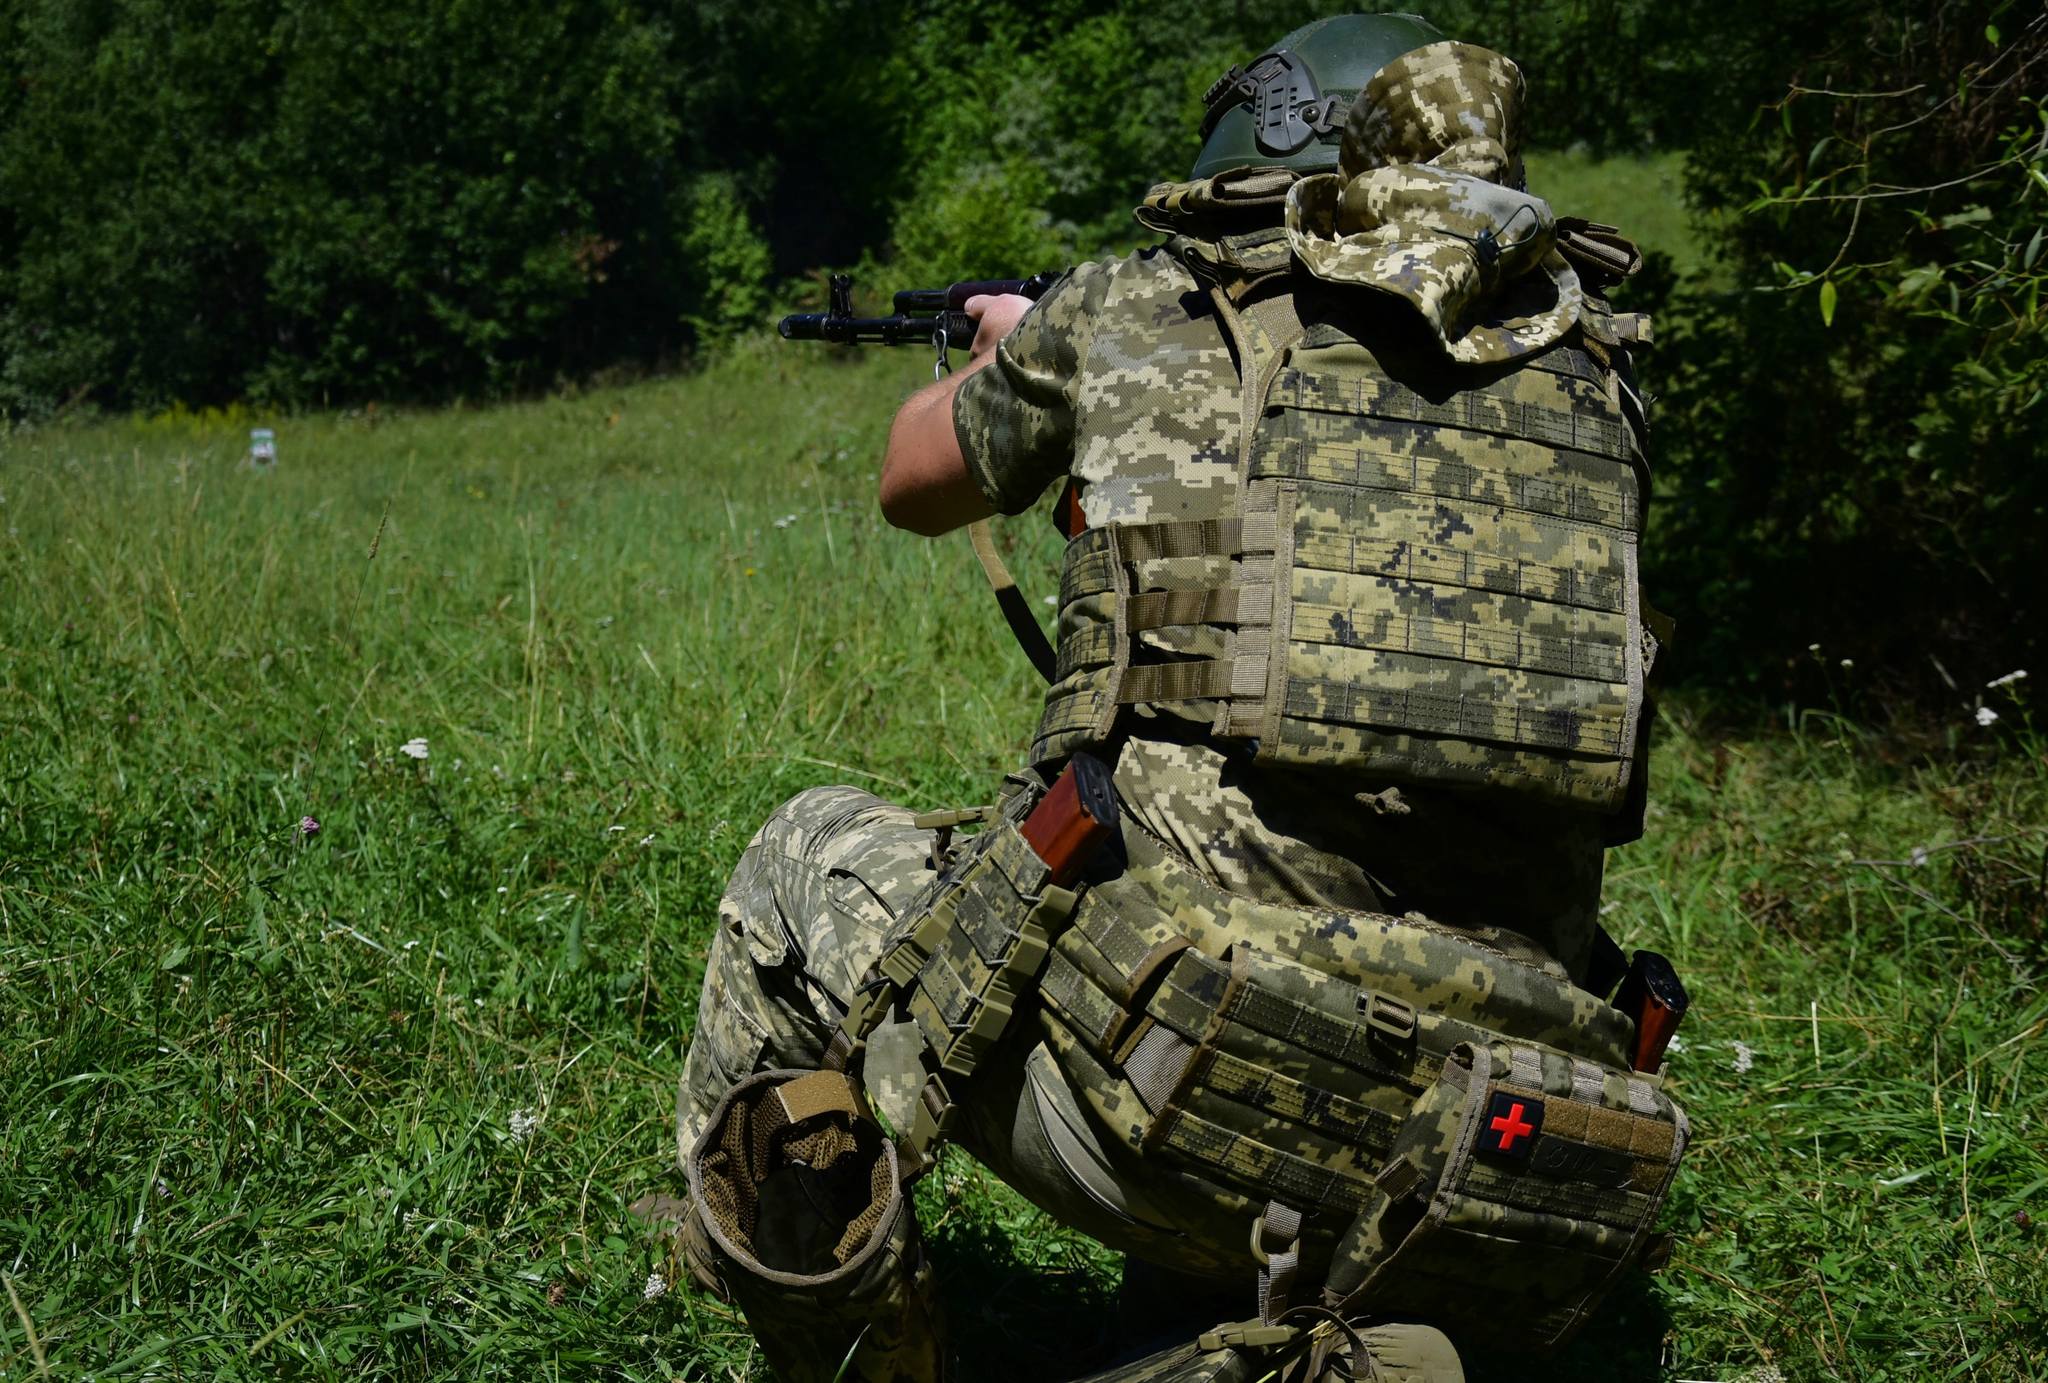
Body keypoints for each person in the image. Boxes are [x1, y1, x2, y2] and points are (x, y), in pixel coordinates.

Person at [676, 15, 1688, 1383]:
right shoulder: (1601, 378)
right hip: (1500, 1145)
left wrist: (1018, 346)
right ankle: (1264, 1334)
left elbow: (914, 483)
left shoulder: (1139, 305)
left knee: (801, 855)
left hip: (1179, 1088)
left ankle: (848, 1346)